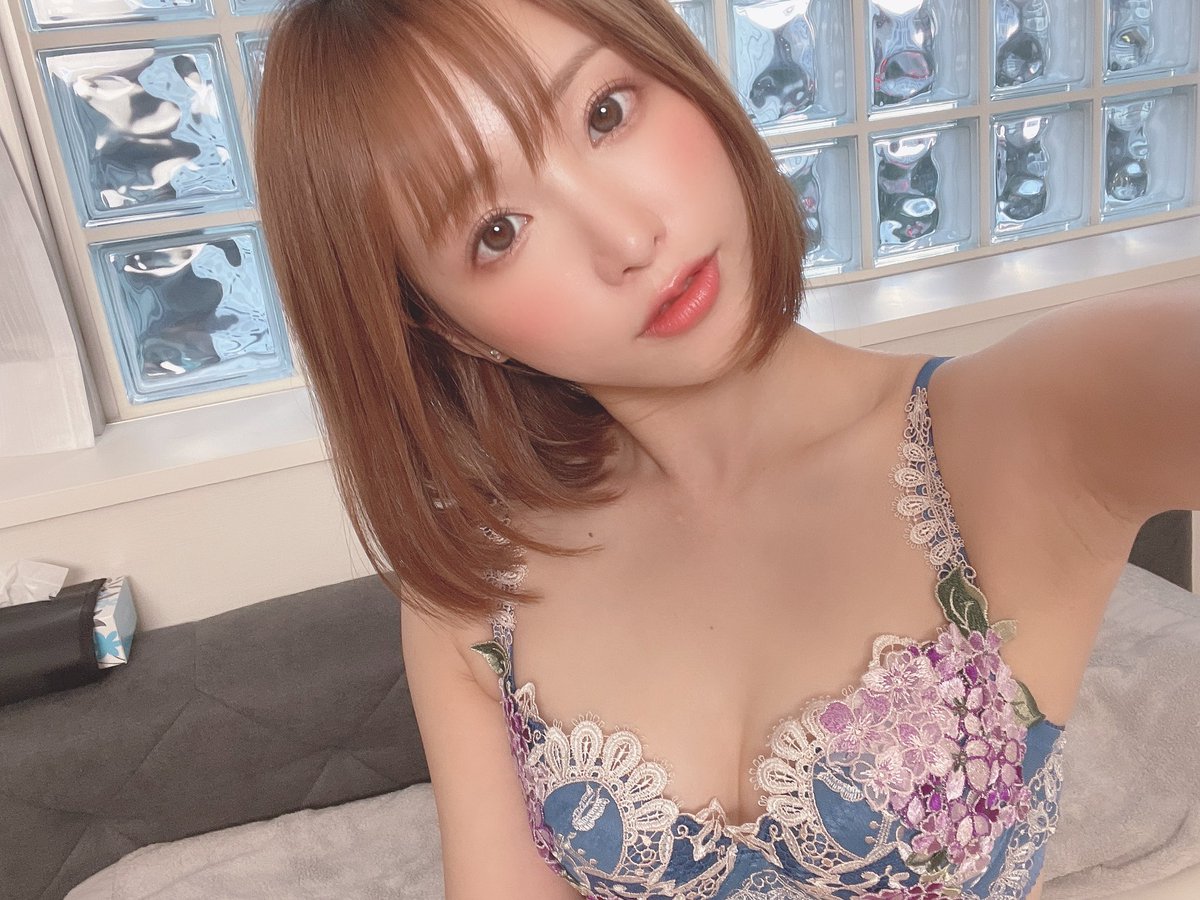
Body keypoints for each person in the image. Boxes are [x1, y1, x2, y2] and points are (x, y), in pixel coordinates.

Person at [252, 1, 1200, 897]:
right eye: (497, 232)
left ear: (680, 72)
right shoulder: (471, 589)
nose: (628, 238)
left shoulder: (1029, 423)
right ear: (451, 327)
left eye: (606, 112)